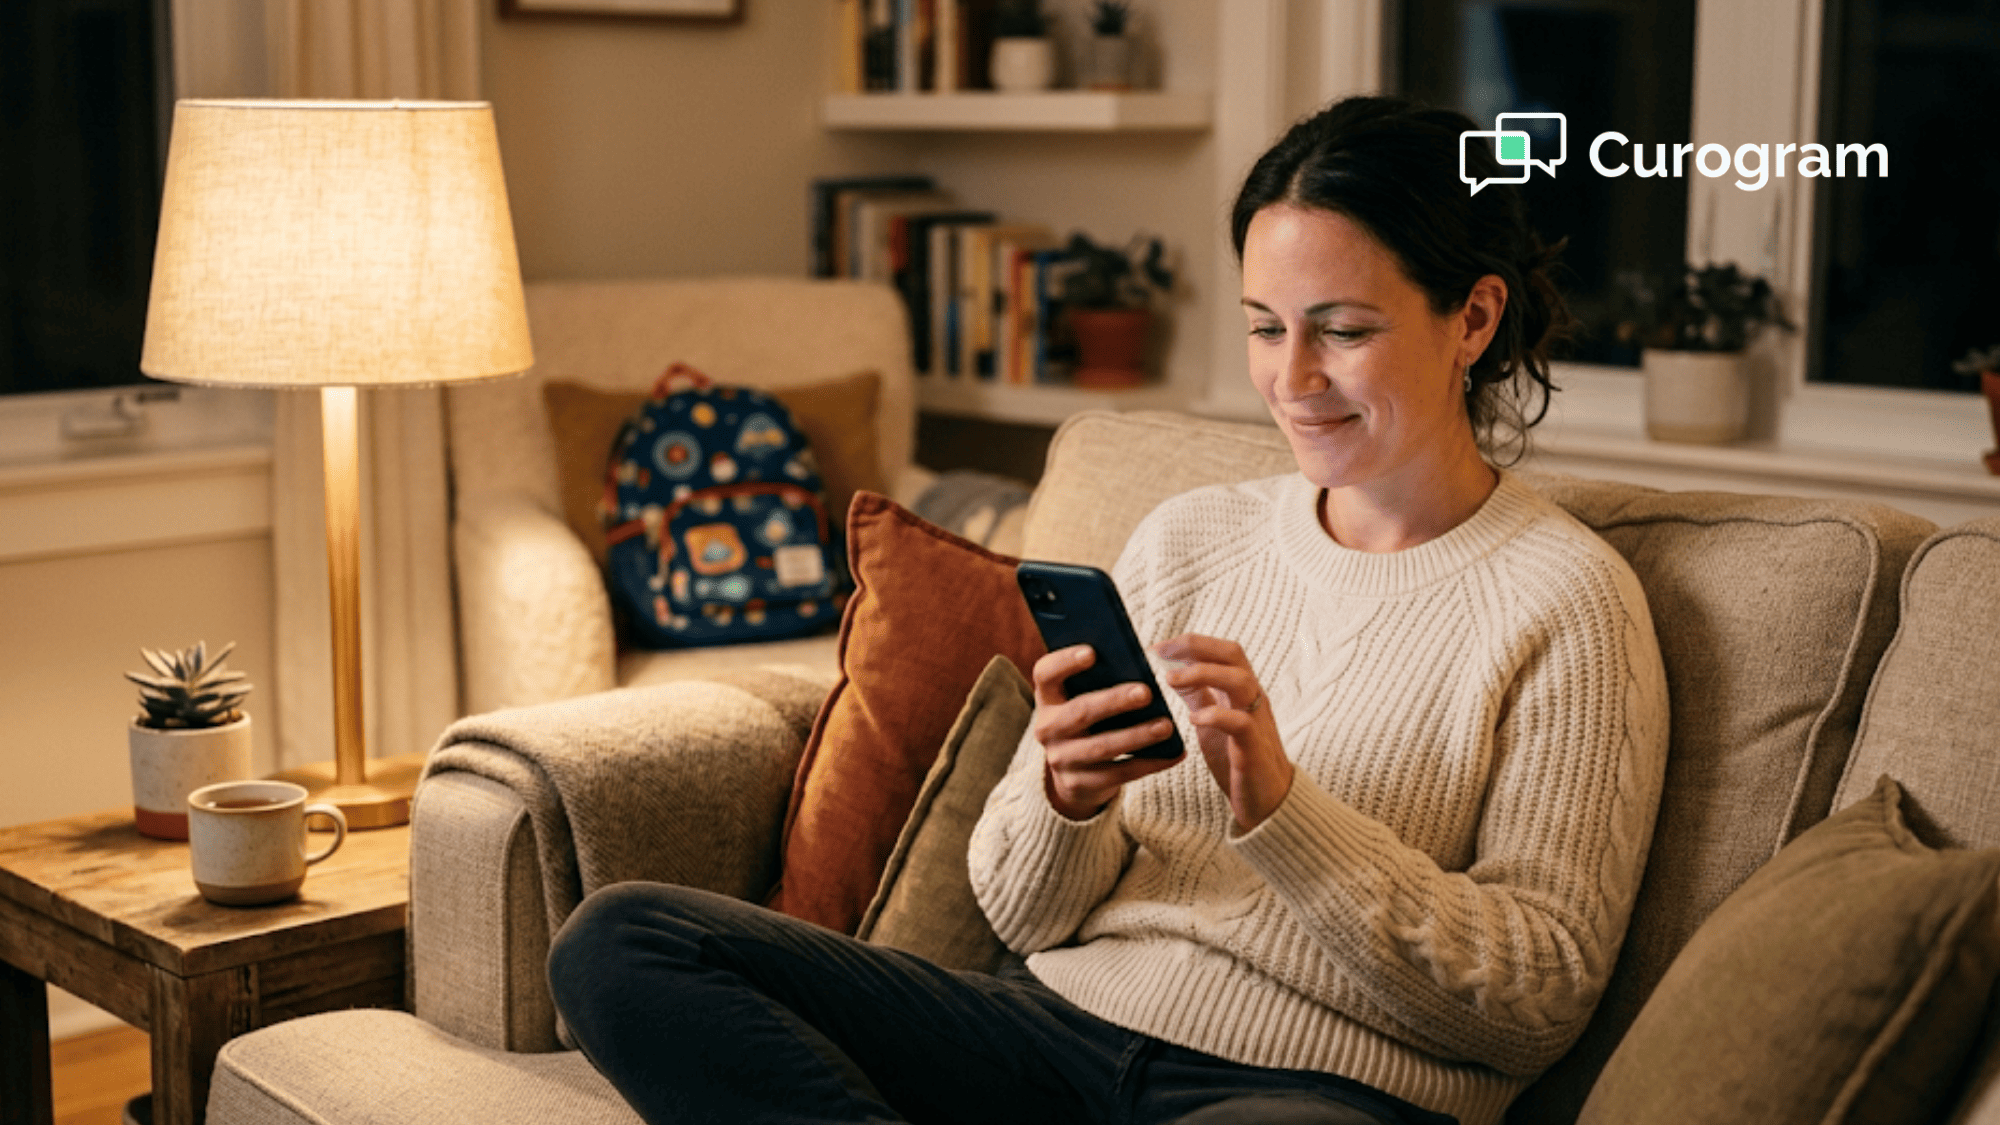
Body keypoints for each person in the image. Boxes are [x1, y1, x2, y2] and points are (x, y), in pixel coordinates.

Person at [547, 95, 1670, 1125]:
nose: (1291, 378)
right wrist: (1067, 798)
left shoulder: (1563, 601)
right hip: (1049, 1034)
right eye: (1265, 327)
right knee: (627, 942)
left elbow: (1536, 998)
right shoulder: (1193, 537)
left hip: (1308, 1093)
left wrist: (1284, 810)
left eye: (1342, 329)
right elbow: (1021, 914)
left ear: (1473, 318)